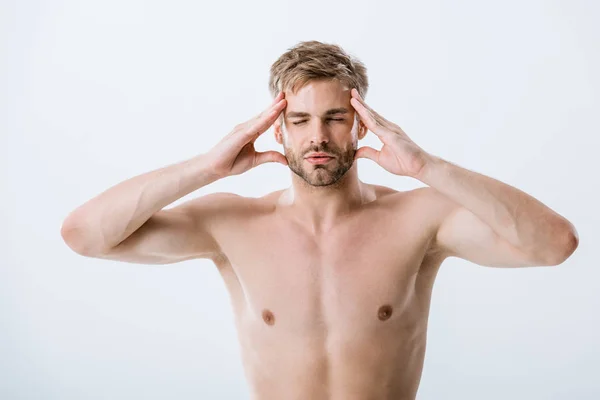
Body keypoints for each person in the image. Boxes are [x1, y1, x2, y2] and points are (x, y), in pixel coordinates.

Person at [60, 40, 579, 399]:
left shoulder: (419, 218)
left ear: (361, 125)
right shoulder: (231, 224)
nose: (318, 137)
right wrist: (207, 167)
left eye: (336, 118)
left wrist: (427, 167)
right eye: (299, 119)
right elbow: (84, 235)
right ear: (277, 130)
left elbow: (554, 244)